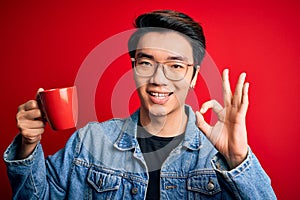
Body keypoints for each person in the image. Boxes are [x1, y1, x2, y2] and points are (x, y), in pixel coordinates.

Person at [4, 10, 276, 199]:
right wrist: (28, 145)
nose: (159, 79)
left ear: (193, 75)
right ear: (133, 69)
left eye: (176, 65)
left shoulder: (219, 153)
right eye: (146, 63)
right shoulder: (90, 142)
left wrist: (238, 160)